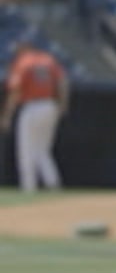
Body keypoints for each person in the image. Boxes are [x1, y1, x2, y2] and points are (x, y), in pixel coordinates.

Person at [4, 36, 70, 191]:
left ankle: (29, 187)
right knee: (42, 150)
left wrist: (7, 116)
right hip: (49, 105)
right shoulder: (48, 60)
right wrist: (62, 104)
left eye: (18, 48)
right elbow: (63, 82)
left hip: (32, 106)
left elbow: (15, 90)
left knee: (26, 149)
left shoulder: (23, 62)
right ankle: (53, 184)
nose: (16, 52)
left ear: (25, 47)